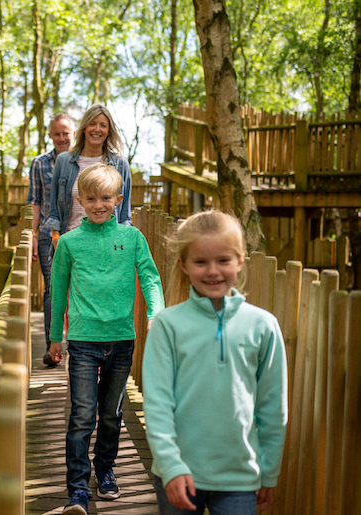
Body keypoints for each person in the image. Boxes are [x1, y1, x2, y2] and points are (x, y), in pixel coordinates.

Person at [142, 210, 287, 515]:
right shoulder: (168, 325)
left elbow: (273, 407)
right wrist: (170, 465)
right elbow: (157, 404)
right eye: (201, 262)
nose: (213, 271)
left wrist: (268, 470)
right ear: (183, 264)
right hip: (178, 473)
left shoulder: (263, 325)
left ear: (241, 260)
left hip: (240, 478)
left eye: (223, 260)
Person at [49, 164, 164, 515]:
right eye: (91, 198)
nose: (98, 205)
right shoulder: (68, 243)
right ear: (80, 200)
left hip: (121, 339)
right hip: (83, 341)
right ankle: (78, 490)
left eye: (106, 198)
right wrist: (56, 338)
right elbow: (58, 291)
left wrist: (155, 313)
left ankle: (106, 469)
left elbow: (150, 277)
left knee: (112, 413)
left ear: (118, 199)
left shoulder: (132, 239)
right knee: (83, 415)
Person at [44, 104, 133, 366]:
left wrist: (124, 246)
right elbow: (54, 209)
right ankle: (78, 354)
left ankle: (96, 358)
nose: (97, 129)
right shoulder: (64, 161)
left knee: (99, 299)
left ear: (109, 131)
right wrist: (57, 240)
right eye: (93, 124)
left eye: (103, 125)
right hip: (72, 240)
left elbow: (124, 213)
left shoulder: (119, 164)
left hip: (106, 242)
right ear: (83, 128)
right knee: (69, 299)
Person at [26, 113, 75, 367]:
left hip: (77, 235)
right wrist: (33, 235)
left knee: (78, 290)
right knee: (51, 289)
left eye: (65, 133)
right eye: (56, 133)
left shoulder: (79, 162)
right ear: (50, 135)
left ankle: (78, 346)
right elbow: (34, 202)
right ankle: (51, 346)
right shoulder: (39, 164)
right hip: (48, 235)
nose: (61, 138)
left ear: (74, 133)